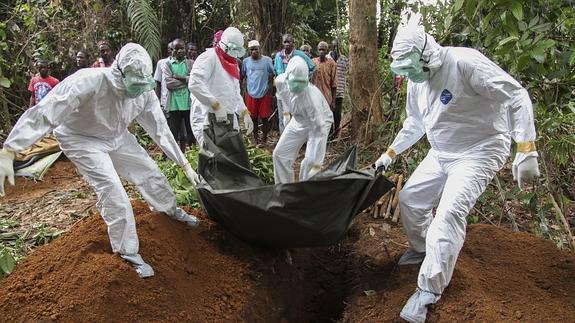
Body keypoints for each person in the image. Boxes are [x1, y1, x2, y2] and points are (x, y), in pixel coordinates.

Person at [374, 20, 540, 323]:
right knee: (410, 198)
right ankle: (423, 248)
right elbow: (415, 123)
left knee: (448, 213)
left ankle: (428, 290)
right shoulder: (417, 81)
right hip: (441, 151)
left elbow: (515, 95)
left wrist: (526, 146)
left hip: (480, 149)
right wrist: (390, 152)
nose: (409, 73)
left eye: (410, 66)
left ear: (426, 54)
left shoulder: (465, 63)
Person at [0, 43, 201, 279]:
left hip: (116, 136)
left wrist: (184, 164)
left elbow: (160, 130)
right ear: (120, 72)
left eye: (141, 85)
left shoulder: (143, 91)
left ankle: (170, 210)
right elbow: (45, 112)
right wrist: (10, 150)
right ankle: (128, 252)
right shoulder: (88, 82)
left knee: (149, 171)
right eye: (134, 84)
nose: (137, 90)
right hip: (81, 139)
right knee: (112, 188)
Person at [188, 27, 254, 146]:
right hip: (207, 117)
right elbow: (194, 83)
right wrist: (215, 105)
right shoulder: (209, 57)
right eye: (232, 49)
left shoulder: (234, 64)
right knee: (211, 154)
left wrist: (244, 112)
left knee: (229, 154)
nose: (234, 53)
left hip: (227, 118)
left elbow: (235, 93)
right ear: (223, 44)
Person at [272, 56, 333, 184]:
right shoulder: (280, 81)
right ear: (287, 77)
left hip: (318, 123)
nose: (298, 86)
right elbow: (283, 96)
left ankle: (304, 193)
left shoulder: (312, 100)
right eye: (295, 81)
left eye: (302, 82)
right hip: (298, 119)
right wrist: (286, 113)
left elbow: (319, 132)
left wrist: (317, 164)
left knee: (309, 164)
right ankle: (284, 190)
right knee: (280, 154)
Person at [274, 34, 316, 134]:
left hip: (297, 93)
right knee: (283, 117)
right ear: (282, 43)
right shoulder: (278, 57)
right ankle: (284, 141)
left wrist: (304, 79)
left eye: (289, 42)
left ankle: (298, 141)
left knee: (297, 117)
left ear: (293, 43)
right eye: (285, 42)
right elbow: (276, 72)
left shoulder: (300, 55)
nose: (287, 44)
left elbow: (313, 68)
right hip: (282, 94)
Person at [163, 39, 195, 152]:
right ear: (172, 51)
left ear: (185, 49)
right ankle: (174, 158)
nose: (179, 51)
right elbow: (169, 84)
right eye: (176, 49)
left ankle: (193, 155)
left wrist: (177, 77)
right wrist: (186, 80)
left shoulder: (191, 63)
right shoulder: (167, 64)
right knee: (173, 134)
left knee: (191, 133)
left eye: (182, 48)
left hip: (188, 104)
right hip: (174, 105)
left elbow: (194, 81)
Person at [241, 40, 275, 145]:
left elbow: (273, 73)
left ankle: (264, 139)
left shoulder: (267, 60)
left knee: (265, 118)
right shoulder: (246, 62)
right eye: (252, 49)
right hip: (251, 94)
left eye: (256, 49)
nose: (254, 51)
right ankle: (255, 139)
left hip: (264, 94)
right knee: (253, 118)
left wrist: (268, 85)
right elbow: (242, 76)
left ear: (260, 49)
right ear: (249, 51)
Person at [327, 38, 349, 139]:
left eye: (338, 45)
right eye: (334, 45)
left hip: (339, 91)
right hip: (328, 91)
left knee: (337, 113)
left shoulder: (344, 59)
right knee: (328, 113)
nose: (336, 47)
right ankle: (329, 132)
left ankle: (335, 133)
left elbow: (348, 70)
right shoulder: (327, 58)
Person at [311, 41, 337, 118]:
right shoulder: (313, 62)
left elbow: (334, 84)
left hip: (327, 98)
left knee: (327, 120)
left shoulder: (331, 63)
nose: (321, 52)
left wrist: (333, 102)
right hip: (314, 98)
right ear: (317, 50)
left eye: (323, 50)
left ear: (327, 51)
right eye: (320, 50)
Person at [154, 42, 174, 114]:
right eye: (171, 49)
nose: (173, 51)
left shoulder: (185, 63)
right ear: (168, 50)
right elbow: (158, 83)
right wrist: (156, 101)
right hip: (165, 102)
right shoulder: (162, 63)